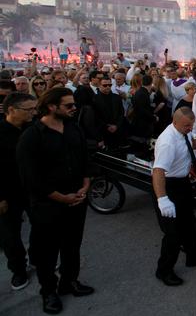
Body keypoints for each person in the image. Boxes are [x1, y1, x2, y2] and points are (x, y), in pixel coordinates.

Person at [17, 88, 94, 314]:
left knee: (72, 246)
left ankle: (69, 281)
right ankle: (48, 291)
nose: (74, 108)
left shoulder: (73, 128)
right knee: (47, 251)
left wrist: (86, 184)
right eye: (68, 105)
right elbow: (31, 178)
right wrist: (60, 197)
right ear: (52, 107)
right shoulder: (32, 136)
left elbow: (84, 159)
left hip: (77, 200)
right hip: (48, 205)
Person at [152, 107, 196, 286]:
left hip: (183, 183)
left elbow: (192, 142)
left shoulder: (183, 131)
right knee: (173, 233)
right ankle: (164, 270)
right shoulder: (167, 142)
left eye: (192, 125)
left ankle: (194, 257)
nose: (191, 128)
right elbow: (158, 172)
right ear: (176, 122)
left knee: (190, 225)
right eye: (188, 125)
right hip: (169, 186)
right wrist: (162, 199)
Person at [0, 93, 37, 291]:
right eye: (29, 110)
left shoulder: (32, 128)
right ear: (12, 110)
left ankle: (36, 258)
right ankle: (18, 269)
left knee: (40, 226)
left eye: (34, 108)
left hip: (32, 189)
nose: (33, 113)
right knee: (10, 235)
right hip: (8, 193)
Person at [92, 76, 125, 149]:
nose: (107, 87)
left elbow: (121, 113)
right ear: (99, 85)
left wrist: (116, 126)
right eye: (105, 85)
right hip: (102, 132)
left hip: (117, 131)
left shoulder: (117, 97)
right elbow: (95, 116)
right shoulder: (94, 99)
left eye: (110, 85)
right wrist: (107, 126)